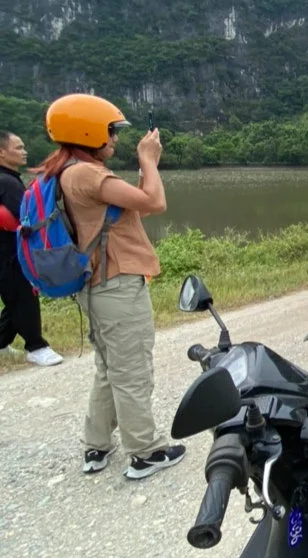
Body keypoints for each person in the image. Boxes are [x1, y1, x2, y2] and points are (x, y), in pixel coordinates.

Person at [38, 93, 185, 479]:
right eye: (110, 133)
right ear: (87, 131)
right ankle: (145, 452)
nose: (114, 140)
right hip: (116, 285)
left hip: (97, 284)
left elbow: (132, 203)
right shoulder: (88, 174)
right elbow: (154, 202)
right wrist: (149, 160)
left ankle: (97, 445)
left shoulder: (66, 170)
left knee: (109, 369)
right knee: (132, 369)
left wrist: (144, 167)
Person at [0, 132, 64, 367]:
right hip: (10, 255)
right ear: (1, 152)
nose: (24, 151)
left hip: (7, 253)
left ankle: (1, 342)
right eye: (18, 147)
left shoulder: (7, 178)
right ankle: (36, 346)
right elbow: (29, 217)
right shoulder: (6, 182)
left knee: (14, 298)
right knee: (24, 297)